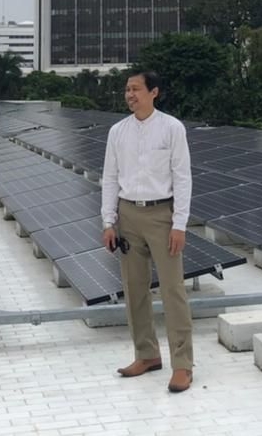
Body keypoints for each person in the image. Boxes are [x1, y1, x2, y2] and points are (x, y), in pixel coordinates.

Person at [101, 70, 194, 393]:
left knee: (172, 290)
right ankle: (147, 354)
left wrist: (179, 224)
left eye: (136, 89)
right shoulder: (117, 132)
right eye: (127, 89)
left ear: (154, 92)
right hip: (128, 215)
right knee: (135, 289)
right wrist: (108, 221)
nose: (130, 95)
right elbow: (109, 177)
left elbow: (182, 177)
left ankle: (182, 364)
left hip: (162, 215)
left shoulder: (171, 128)